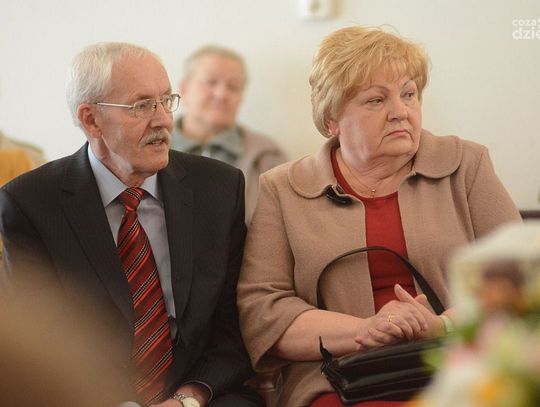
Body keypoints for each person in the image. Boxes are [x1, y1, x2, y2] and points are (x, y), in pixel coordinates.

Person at [237, 26, 521, 407]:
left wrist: (443, 325)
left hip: (463, 364)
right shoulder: (283, 188)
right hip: (339, 378)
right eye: (376, 100)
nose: (400, 111)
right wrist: (365, 331)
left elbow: (521, 278)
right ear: (332, 119)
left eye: (409, 94)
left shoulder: (465, 165)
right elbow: (264, 311)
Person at [0, 42, 263, 407]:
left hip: (202, 394)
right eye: (142, 105)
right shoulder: (30, 202)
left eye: (166, 101)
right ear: (91, 119)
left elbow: (235, 323)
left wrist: (188, 398)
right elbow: (43, 337)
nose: (163, 120)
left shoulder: (218, 187)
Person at [171, 45, 287, 222]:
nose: (221, 94)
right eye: (210, 82)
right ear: (184, 89)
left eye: (233, 87)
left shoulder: (267, 157)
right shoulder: (151, 147)